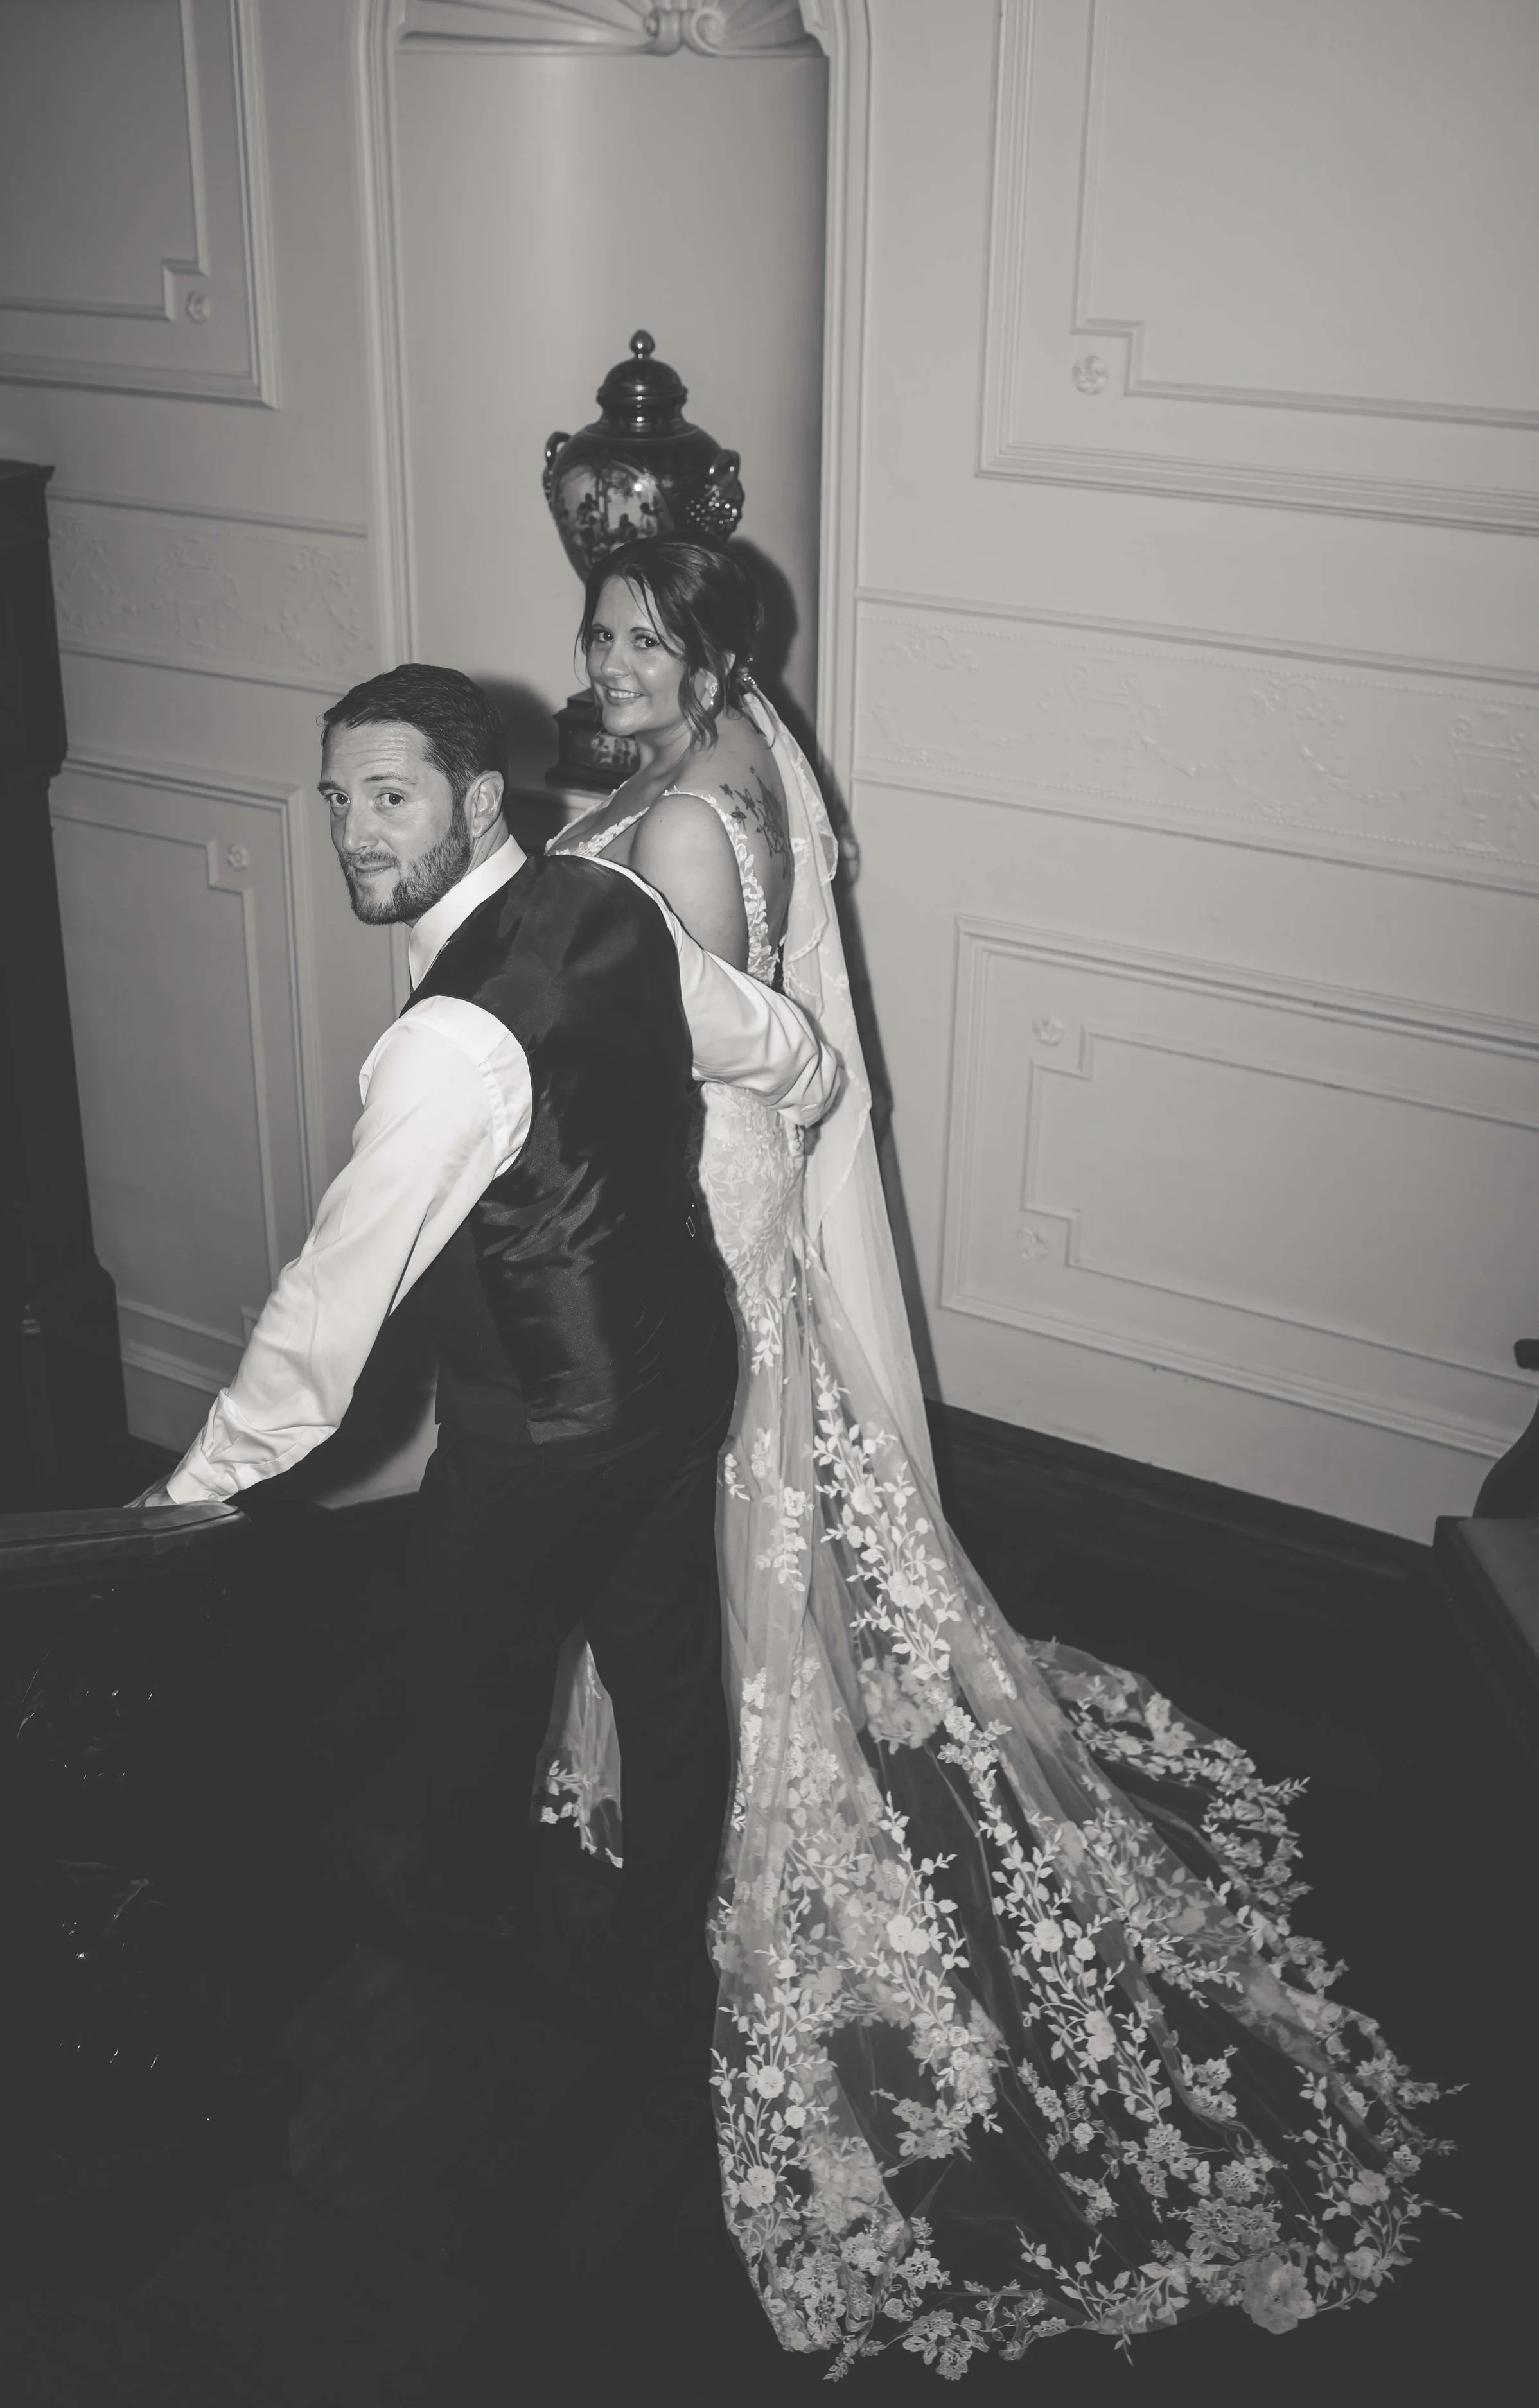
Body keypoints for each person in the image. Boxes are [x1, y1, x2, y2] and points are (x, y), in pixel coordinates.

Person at [542, 538, 1448, 2380]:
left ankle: (728, 1769)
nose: (609, 658)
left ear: (713, 662)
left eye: (645, 638)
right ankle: (715, 1715)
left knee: (709, 1504)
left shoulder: (698, 830)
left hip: (686, 1209)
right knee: (755, 1508)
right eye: (599, 630)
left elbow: (676, 1055)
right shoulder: (730, 756)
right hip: (732, 1200)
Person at [145, 663, 838, 2029]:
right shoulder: (610, 900)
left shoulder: (447, 1044)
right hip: (678, 1365)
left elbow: (324, 1316)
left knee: (463, 1681)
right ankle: (658, 1943)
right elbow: (770, 1042)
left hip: (540, 1427)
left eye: (390, 798)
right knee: (668, 1663)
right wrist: (804, 1096)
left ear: (474, 796)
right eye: (340, 798)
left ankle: (466, 1940)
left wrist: (182, 1503)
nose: (354, 832)